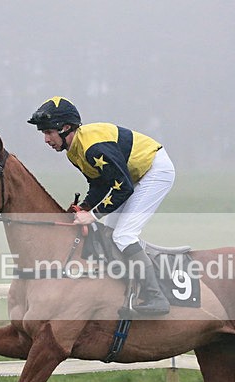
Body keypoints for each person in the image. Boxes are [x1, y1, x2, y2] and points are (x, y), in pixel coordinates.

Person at [28, 96, 175, 315]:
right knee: (112, 233)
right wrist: (85, 207)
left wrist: (93, 215)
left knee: (124, 236)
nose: (46, 140)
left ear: (65, 128)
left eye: (49, 132)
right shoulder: (73, 151)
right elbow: (99, 183)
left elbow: (123, 187)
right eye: (44, 134)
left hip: (155, 171)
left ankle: (156, 297)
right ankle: (131, 285)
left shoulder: (92, 149)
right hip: (132, 175)